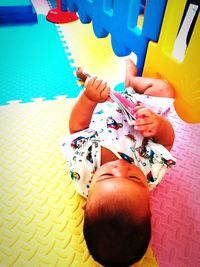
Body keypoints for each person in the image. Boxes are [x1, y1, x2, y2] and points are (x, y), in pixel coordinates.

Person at [62, 58, 176, 267]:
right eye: (133, 177)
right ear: (149, 205)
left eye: (107, 175)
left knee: (96, 86)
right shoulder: (151, 174)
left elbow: (76, 129)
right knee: (166, 90)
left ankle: (89, 79)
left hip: (102, 105)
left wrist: (89, 98)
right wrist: (158, 125)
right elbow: (167, 142)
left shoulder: (84, 172)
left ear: (87, 203)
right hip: (141, 110)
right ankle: (131, 81)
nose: (121, 168)